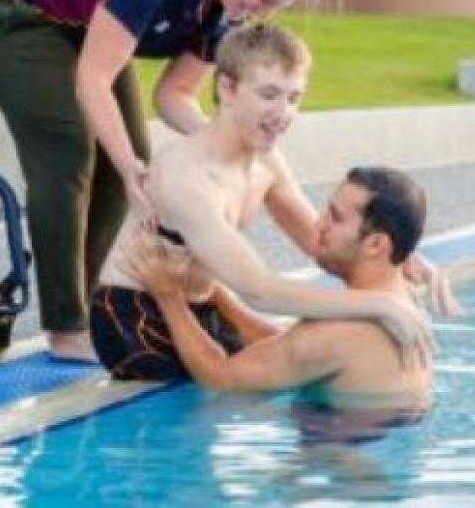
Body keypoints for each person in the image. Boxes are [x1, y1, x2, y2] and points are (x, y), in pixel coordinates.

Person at [0, 0, 325, 360]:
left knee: (131, 159)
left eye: (276, 6)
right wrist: (130, 167)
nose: (261, 11)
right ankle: (65, 326)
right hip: (13, 2)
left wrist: (229, 140)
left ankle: (93, 304)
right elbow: (93, 81)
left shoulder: (225, 15)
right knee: (69, 149)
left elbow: (174, 94)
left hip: (78, 19)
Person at [91, 23, 459, 381]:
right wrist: (380, 304)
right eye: (269, 95)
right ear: (228, 88)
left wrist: (400, 255)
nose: (283, 113)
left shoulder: (266, 162)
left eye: (293, 97)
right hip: (133, 316)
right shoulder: (186, 176)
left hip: (201, 305)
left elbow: (320, 241)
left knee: (293, 362)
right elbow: (258, 290)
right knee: (206, 399)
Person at [126, 165, 433, 419]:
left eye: (335, 218)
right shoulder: (404, 304)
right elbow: (289, 348)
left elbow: (219, 377)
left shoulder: (333, 333)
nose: (319, 224)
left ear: (376, 245)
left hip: (334, 468)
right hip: (374, 445)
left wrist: (168, 295)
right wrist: (220, 294)